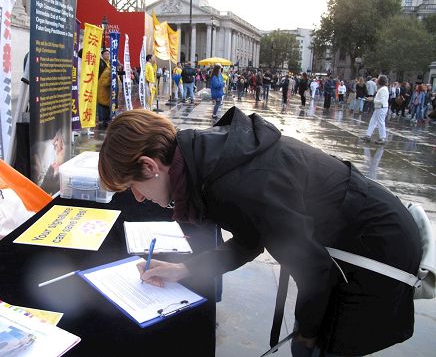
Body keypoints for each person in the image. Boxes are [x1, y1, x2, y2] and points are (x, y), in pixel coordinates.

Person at [98, 107, 421, 357]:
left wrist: (308, 333)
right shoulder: (205, 160)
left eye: (133, 187)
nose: (138, 198)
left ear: (150, 166)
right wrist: (186, 268)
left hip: (374, 254)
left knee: (323, 345)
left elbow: (313, 272)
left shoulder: (235, 183)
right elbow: (254, 235)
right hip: (357, 237)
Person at [361, 75, 390, 145]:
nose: (376, 81)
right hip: (379, 108)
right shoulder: (382, 88)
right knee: (373, 121)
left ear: (380, 81)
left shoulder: (383, 89)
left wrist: (373, 100)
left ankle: (382, 138)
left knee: (380, 122)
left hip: (381, 108)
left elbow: (381, 101)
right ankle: (368, 135)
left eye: (378, 79)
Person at [96, 49, 111, 128]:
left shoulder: (109, 63)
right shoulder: (101, 63)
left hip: (107, 88)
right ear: (102, 55)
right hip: (101, 85)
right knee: (101, 103)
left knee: (106, 103)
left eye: (108, 54)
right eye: (106, 54)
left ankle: (106, 118)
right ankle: (102, 119)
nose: (107, 56)